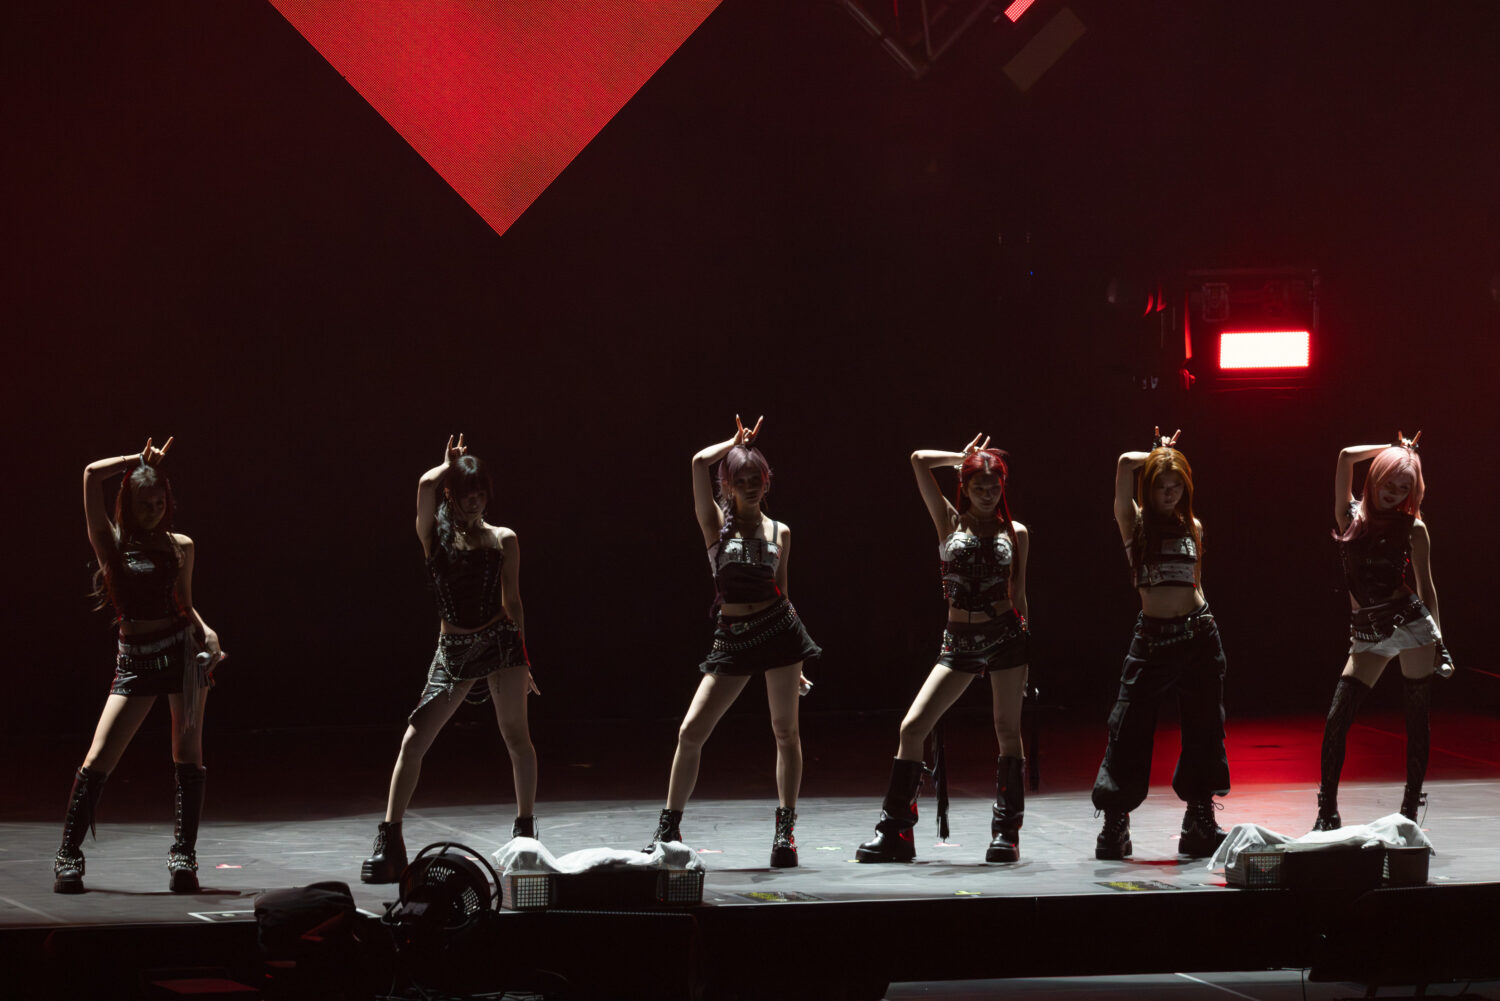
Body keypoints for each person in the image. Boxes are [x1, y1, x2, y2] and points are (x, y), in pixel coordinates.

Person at [645, 417, 820, 867]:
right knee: (691, 731)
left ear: (767, 481)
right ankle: (668, 829)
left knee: (786, 732)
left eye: (756, 478)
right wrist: (734, 443)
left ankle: (785, 833)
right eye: (740, 481)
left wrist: (799, 661)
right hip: (733, 638)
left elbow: (784, 591)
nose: (750, 486)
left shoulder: (780, 531)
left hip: (779, 632)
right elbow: (697, 462)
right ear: (728, 486)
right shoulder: (715, 524)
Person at [362, 435, 537, 883]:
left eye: (480, 494)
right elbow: (424, 486)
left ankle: (525, 833)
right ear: (452, 494)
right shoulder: (434, 537)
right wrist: (448, 466)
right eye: (466, 493)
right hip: (454, 651)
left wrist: (524, 658)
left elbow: (513, 603)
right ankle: (390, 839)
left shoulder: (503, 539)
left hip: (500, 644)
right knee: (414, 740)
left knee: (516, 737)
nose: (474, 502)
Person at [55, 437, 226, 894]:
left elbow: (184, 603)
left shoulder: (181, 545)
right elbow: (91, 474)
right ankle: (68, 854)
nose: (153, 511)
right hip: (135, 662)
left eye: (159, 503)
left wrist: (207, 632)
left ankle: (183, 857)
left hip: (183, 658)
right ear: (129, 504)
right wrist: (137, 460)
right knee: (98, 759)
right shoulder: (111, 544)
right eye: (145, 504)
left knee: (188, 756)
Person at [856, 435, 1031, 863]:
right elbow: (918, 459)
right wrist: (963, 457)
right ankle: (896, 832)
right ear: (964, 487)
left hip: (1006, 637)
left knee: (1007, 731)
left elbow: (1020, 593)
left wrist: (1027, 655)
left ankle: (1006, 834)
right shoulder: (950, 522)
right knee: (912, 727)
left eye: (994, 488)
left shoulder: (1016, 533)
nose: (987, 495)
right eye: (979, 487)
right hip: (958, 642)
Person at [1092, 428, 1231, 860]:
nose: (1169, 493)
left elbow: (1196, 583)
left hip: (1198, 635)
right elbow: (1122, 465)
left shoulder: (1193, 526)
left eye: (1176, 486)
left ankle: (1199, 820)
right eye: (1161, 486)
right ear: (1148, 488)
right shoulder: (1134, 524)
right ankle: (1115, 819)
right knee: (1128, 726)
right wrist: (1160, 453)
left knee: (1205, 726)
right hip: (1152, 639)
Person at [1313, 432, 1450, 831]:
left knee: (1416, 718)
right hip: (1367, 633)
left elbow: (1427, 589)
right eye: (1389, 483)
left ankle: (1409, 810)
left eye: (1404, 487)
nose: (1394, 493)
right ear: (1375, 477)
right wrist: (1395, 450)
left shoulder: (1413, 528)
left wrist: (1440, 644)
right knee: (1338, 717)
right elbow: (1344, 456)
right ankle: (1326, 811)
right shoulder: (1350, 516)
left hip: (1410, 624)